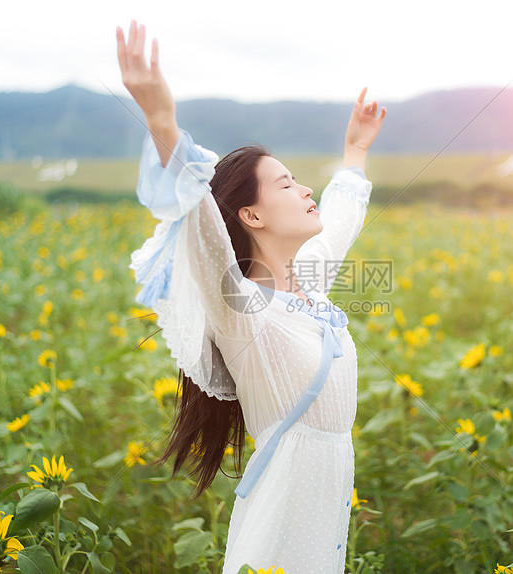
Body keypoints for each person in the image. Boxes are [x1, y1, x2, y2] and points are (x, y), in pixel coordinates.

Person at [116, 19, 386, 573]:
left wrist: (354, 150)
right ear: (251, 214)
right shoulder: (241, 310)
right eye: (287, 184)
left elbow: (341, 219)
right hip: (281, 518)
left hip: (326, 513)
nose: (305, 188)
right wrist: (162, 122)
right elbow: (203, 230)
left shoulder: (306, 284)